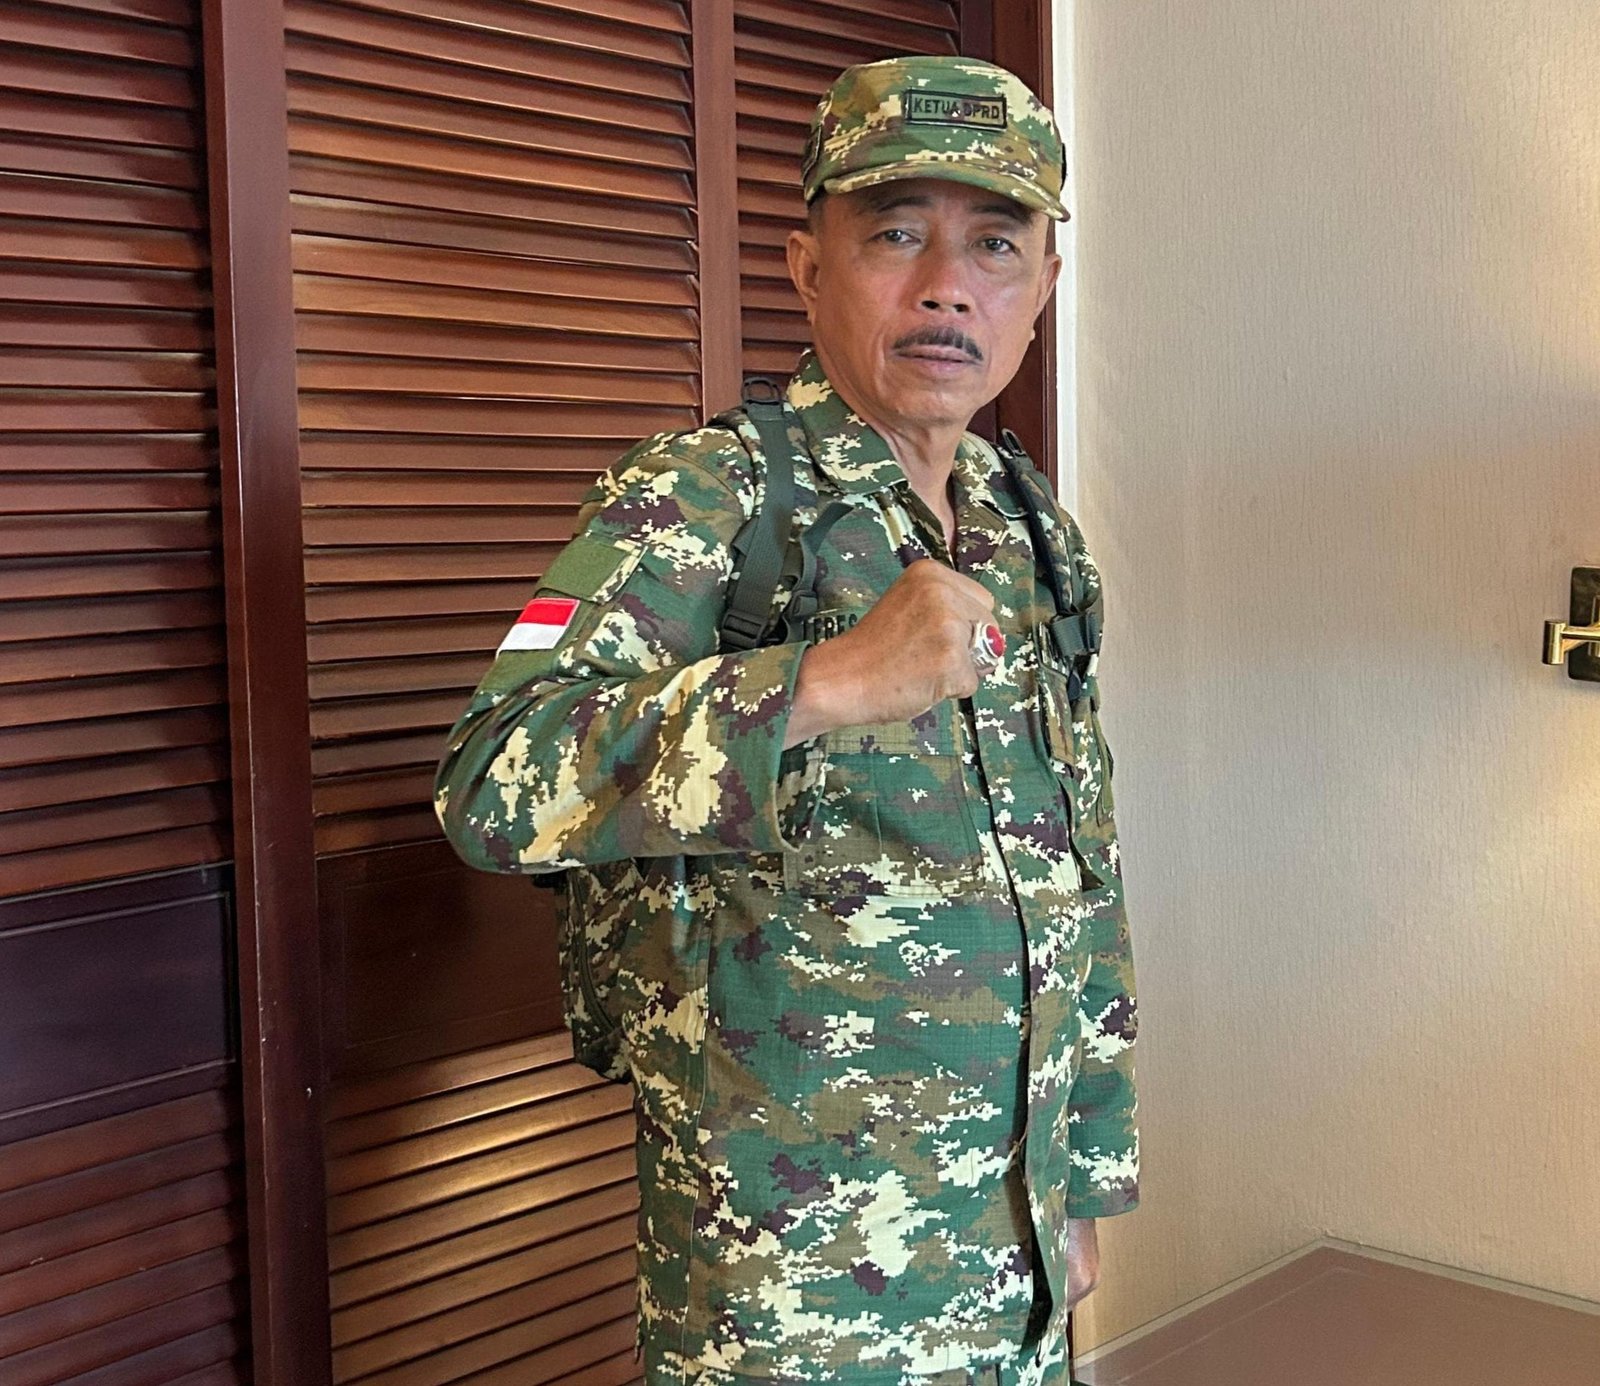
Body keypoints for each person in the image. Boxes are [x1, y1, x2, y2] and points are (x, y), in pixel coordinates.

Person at [434, 55, 1138, 1386]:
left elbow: (1081, 871)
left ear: (1044, 284)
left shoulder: (1030, 529)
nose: (949, 285)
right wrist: (819, 683)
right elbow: (492, 776)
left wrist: (1084, 1174)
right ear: (809, 267)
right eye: (896, 234)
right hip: (791, 1290)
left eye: (996, 243)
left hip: (1015, 1260)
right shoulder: (706, 496)